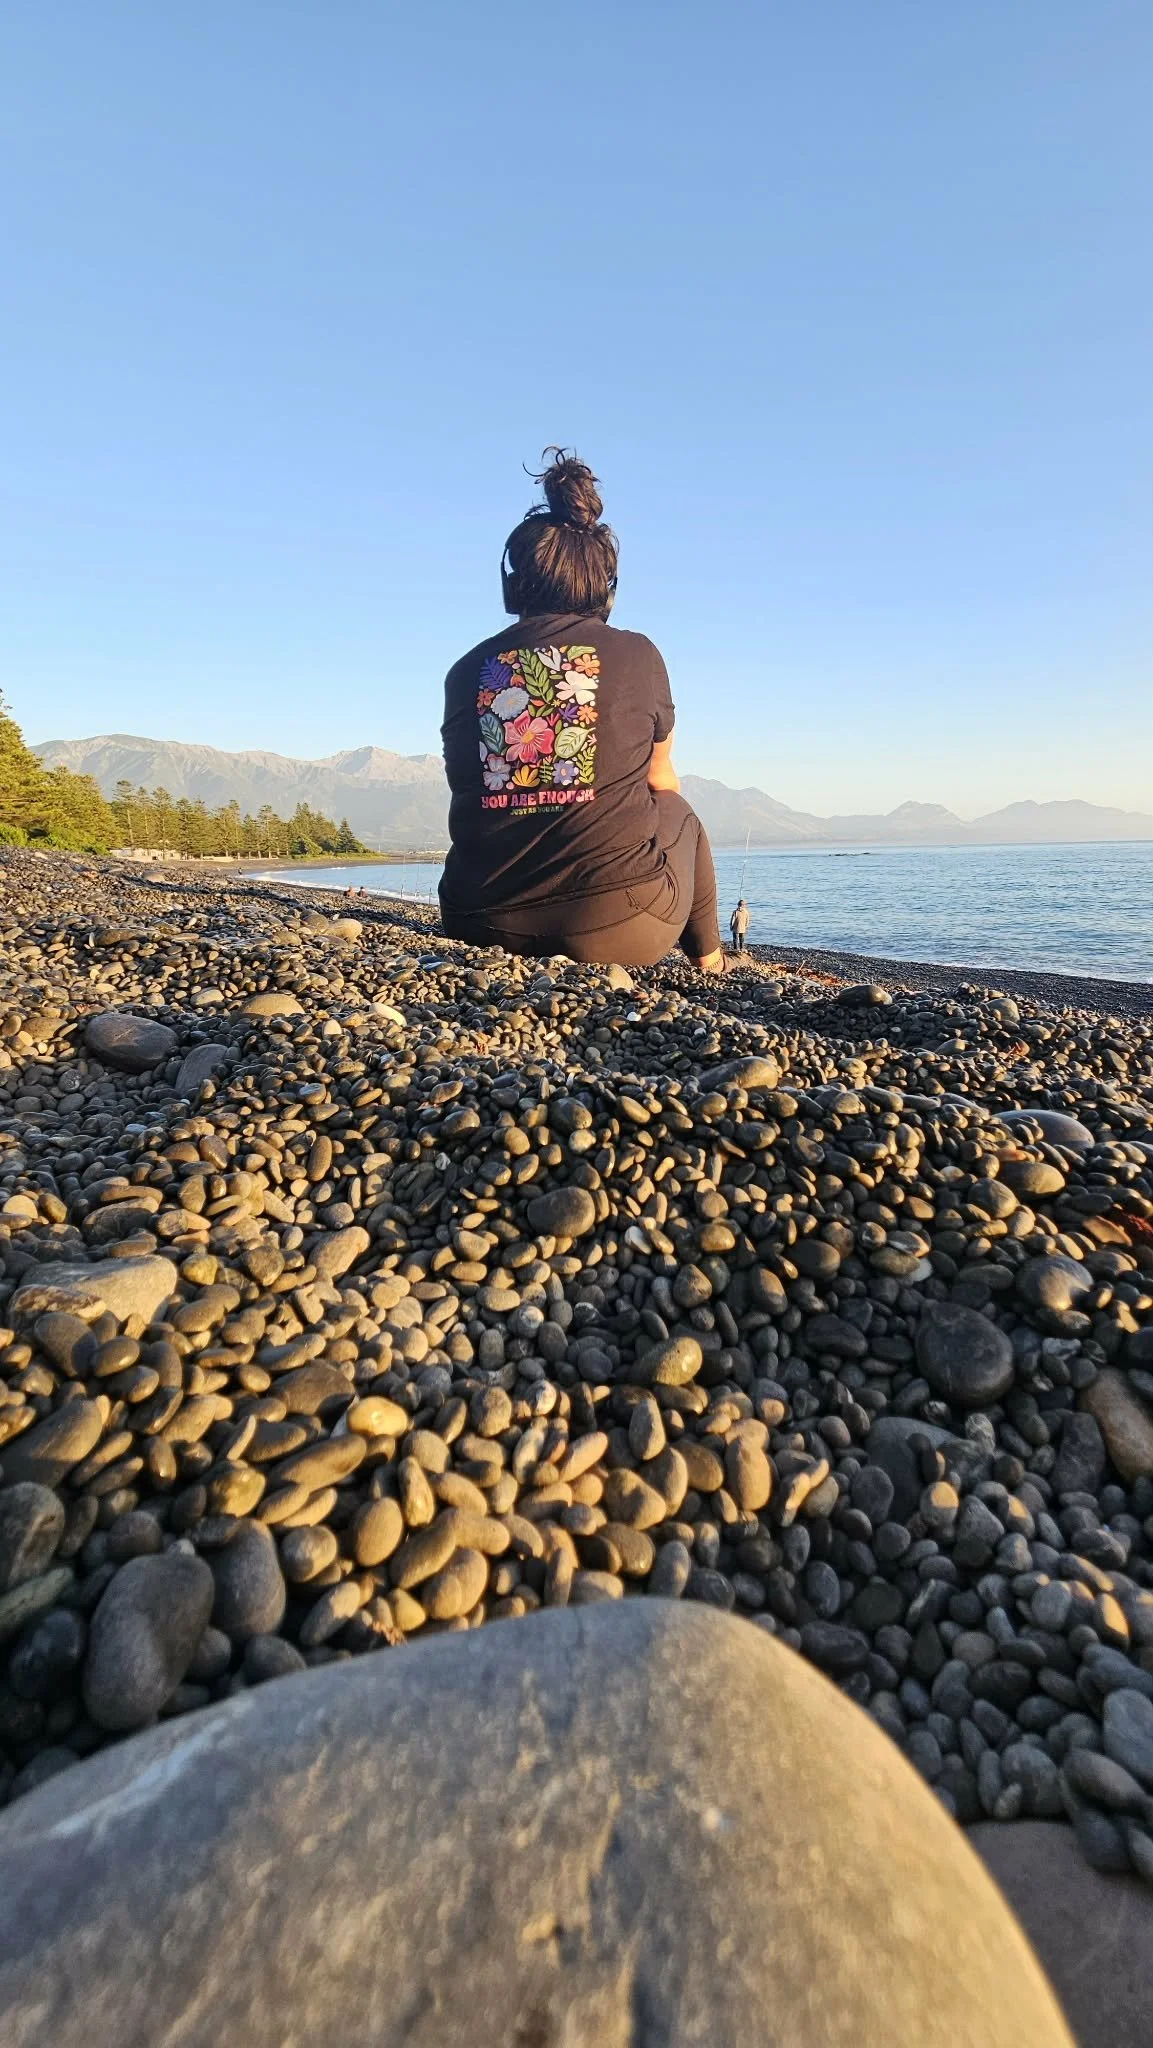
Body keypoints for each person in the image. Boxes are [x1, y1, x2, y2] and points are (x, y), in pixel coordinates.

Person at [439, 450, 724, 970]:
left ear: (512, 582)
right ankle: (710, 961)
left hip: (474, 923)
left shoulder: (464, 671)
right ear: (606, 588)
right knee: (680, 814)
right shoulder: (637, 653)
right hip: (616, 929)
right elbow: (662, 779)